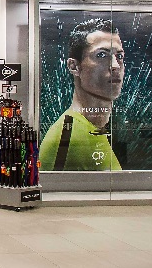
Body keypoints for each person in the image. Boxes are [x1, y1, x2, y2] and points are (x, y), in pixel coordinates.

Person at [39, 18, 125, 171]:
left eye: (119, 56)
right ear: (74, 66)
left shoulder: (91, 129)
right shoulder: (67, 137)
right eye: (102, 55)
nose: (115, 66)